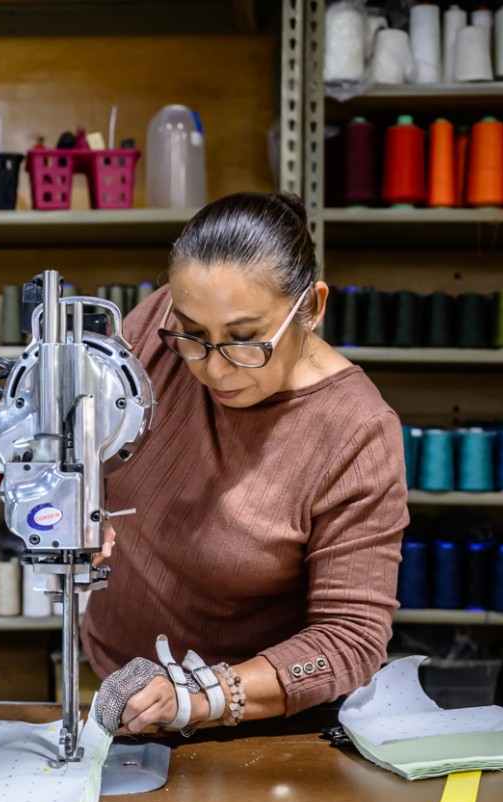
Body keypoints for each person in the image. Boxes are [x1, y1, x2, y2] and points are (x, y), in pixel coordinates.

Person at [86, 191, 409, 736]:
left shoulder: (357, 432)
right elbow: (89, 421)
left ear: (313, 306)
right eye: (193, 334)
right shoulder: (166, 323)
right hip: (110, 679)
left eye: (244, 340)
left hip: (253, 729)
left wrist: (198, 697)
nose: (213, 368)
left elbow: (350, 639)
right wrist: (79, 500)